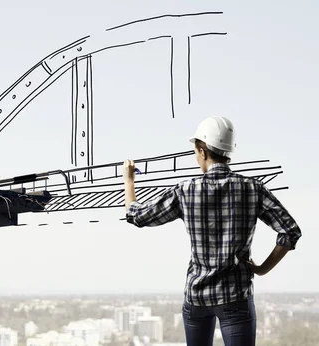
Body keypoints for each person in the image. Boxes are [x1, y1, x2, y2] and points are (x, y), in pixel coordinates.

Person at [123, 116, 302, 346]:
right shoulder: (252, 189)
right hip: (236, 296)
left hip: (197, 296)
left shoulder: (185, 191)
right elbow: (290, 231)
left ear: (203, 150)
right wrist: (262, 269)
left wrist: (129, 182)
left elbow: (136, 215)